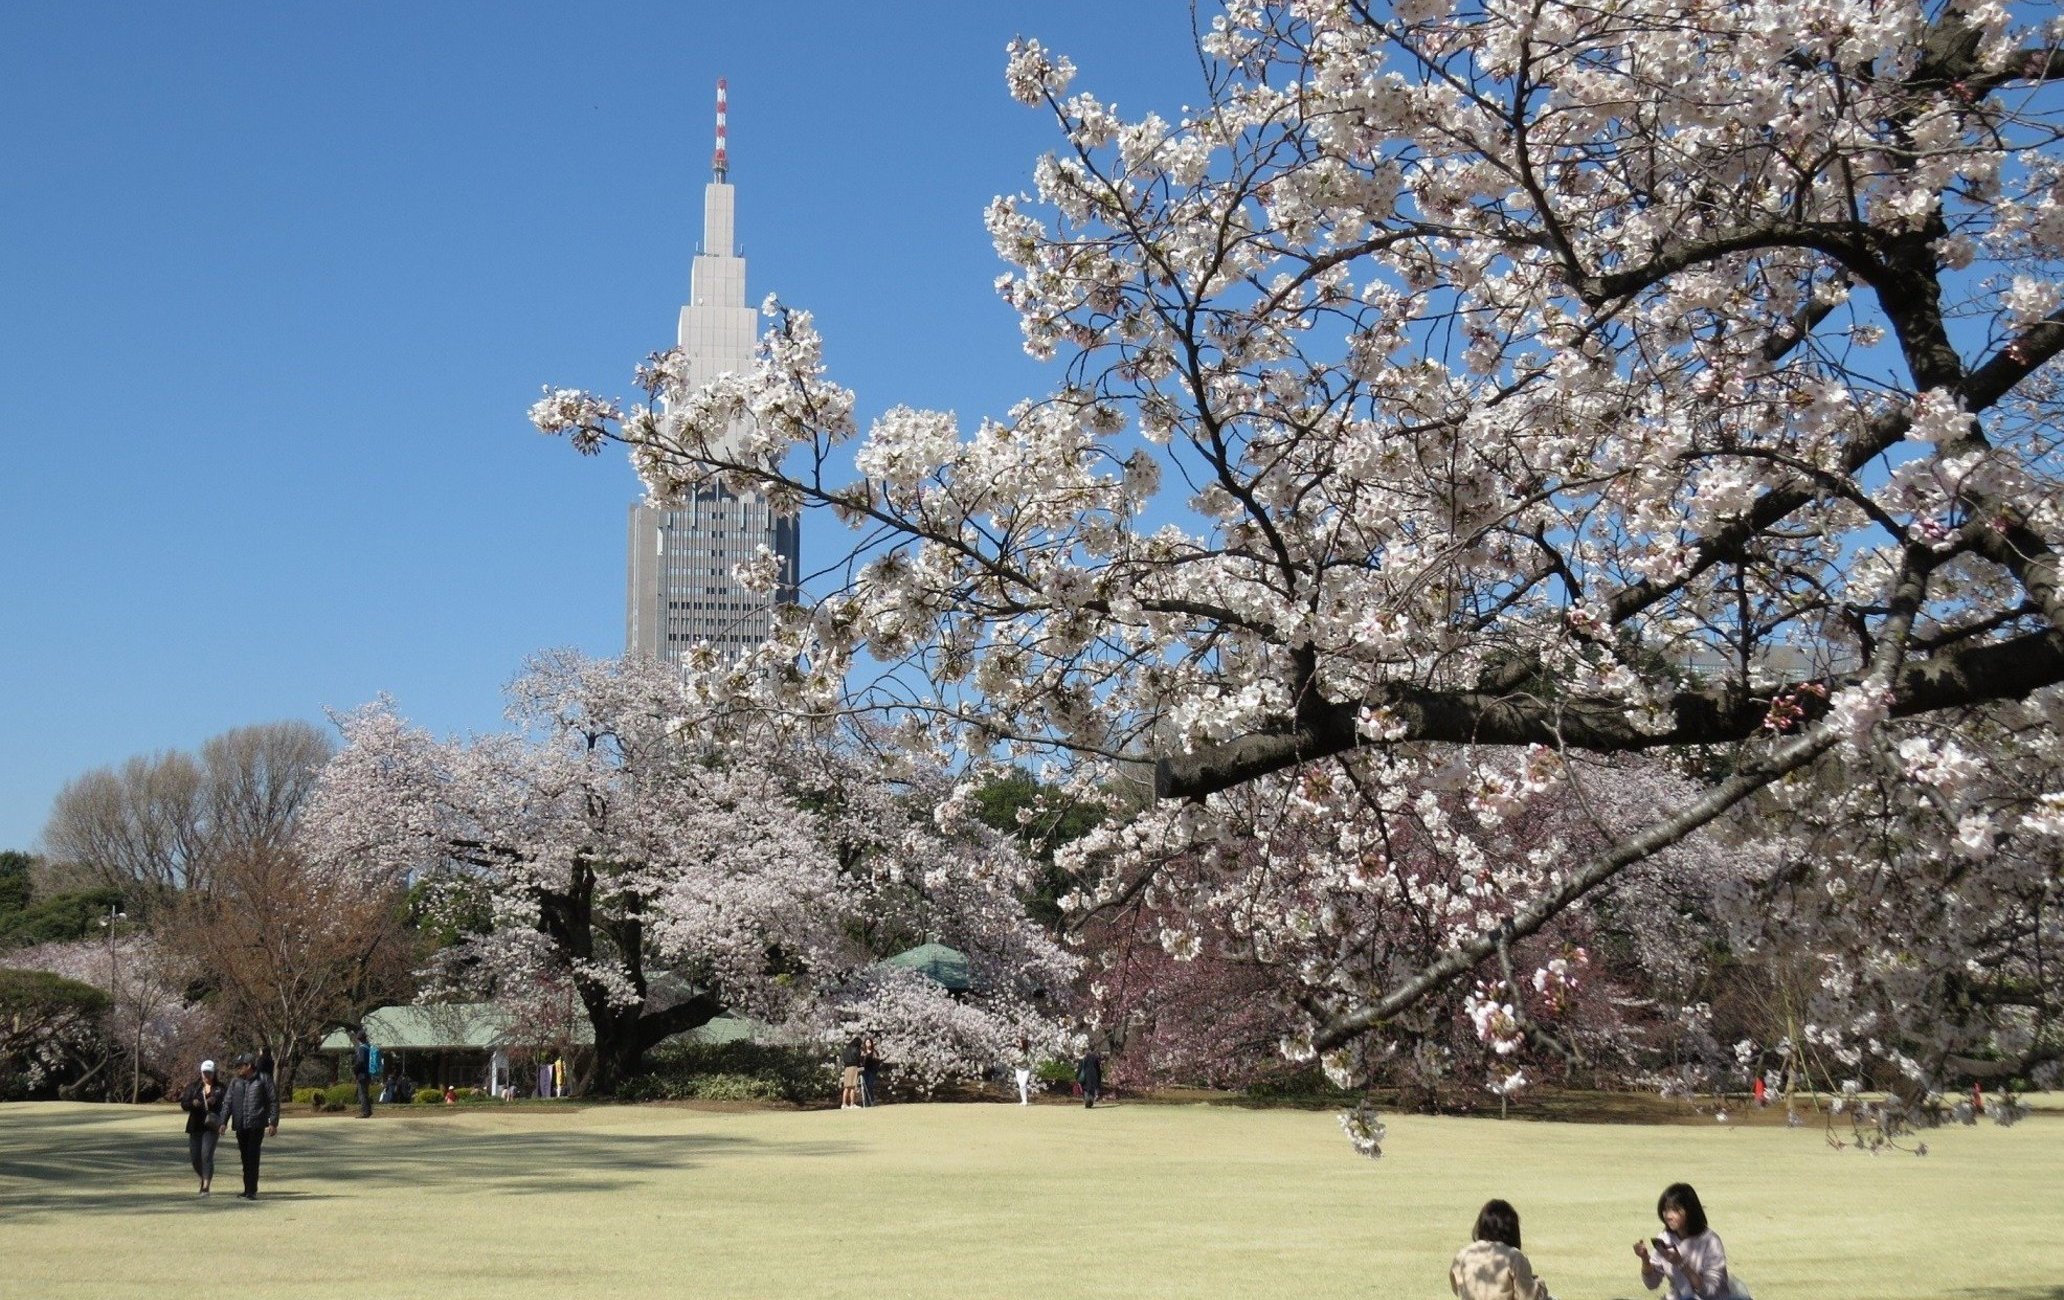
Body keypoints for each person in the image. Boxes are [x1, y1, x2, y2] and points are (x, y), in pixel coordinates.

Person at [1637, 1182, 1746, 1298]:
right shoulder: (1665, 1237)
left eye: (1675, 1210)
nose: (1668, 1216)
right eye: (1665, 1210)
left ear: (1689, 1210)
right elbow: (1652, 1284)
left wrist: (1681, 1263)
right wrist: (1645, 1259)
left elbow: (1711, 1292)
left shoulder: (1710, 1241)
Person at [1450, 1199, 1550, 1300]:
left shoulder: (1464, 1254)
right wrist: (1539, 1285)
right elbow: (1528, 1296)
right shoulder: (1514, 1256)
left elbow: (1457, 1286)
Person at [223, 1053, 278, 1201]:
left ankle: (252, 1190)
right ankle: (247, 1188)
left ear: (249, 1066)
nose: (238, 1069)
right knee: (244, 1158)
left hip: (256, 1124)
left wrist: (273, 1122)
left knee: (253, 1157)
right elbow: (227, 1103)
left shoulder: (264, 1079)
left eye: (240, 1066)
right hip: (240, 1124)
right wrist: (223, 1122)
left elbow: (273, 1100)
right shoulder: (236, 1082)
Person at [179, 1059, 227, 1196]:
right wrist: (193, 1103)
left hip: (211, 1126)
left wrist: (215, 1101)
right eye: (204, 1073)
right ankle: (204, 1177)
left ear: (214, 1073)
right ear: (200, 1072)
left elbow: (226, 1104)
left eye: (209, 1073)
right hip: (195, 1125)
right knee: (195, 1158)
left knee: (206, 1155)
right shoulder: (193, 1087)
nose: (206, 1076)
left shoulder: (221, 1088)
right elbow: (184, 1104)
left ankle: (206, 1186)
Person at [350, 1029, 375, 1118]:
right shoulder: (369, 1047)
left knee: (362, 1094)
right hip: (368, 1073)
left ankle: (365, 1112)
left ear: (359, 1039)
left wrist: (355, 1069)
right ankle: (368, 1111)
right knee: (365, 1093)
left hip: (362, 1074)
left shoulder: (362, 1048)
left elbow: (360, 1061)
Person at [839, 1035, 864, 1110]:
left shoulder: (847, 1049)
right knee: (853, 1086)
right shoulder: (857, 1049)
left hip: (847, 1068)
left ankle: (843, 1104)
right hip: (853, 1067)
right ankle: (852, 1104)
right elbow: (858, 1059)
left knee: (846, 1087)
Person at [860, 1034, 882, 1108]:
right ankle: (867, 1102)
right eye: (867, 1042)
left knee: (870, 1085)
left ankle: (872, 1100)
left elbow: (878, 1061)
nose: (868, 1044)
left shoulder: (874, 1052)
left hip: (872, 1071)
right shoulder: (863, 1052)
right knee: (865, 1085)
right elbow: (861, 1061)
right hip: (865, 1071)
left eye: (869, 1042)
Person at [1013, 1034, 1034, 1106]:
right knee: (1020, 1085)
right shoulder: (1016, 1051)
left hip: (1026, 1070)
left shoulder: (1028, 1052)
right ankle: (1023, 1100)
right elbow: (1013, 1059)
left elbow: (1029, 1061)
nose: (1017, 1044)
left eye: (1019, 1042)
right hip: (1018, 1069)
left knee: (1023, 1084)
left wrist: (1021, 1060)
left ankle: (1025, 1101)